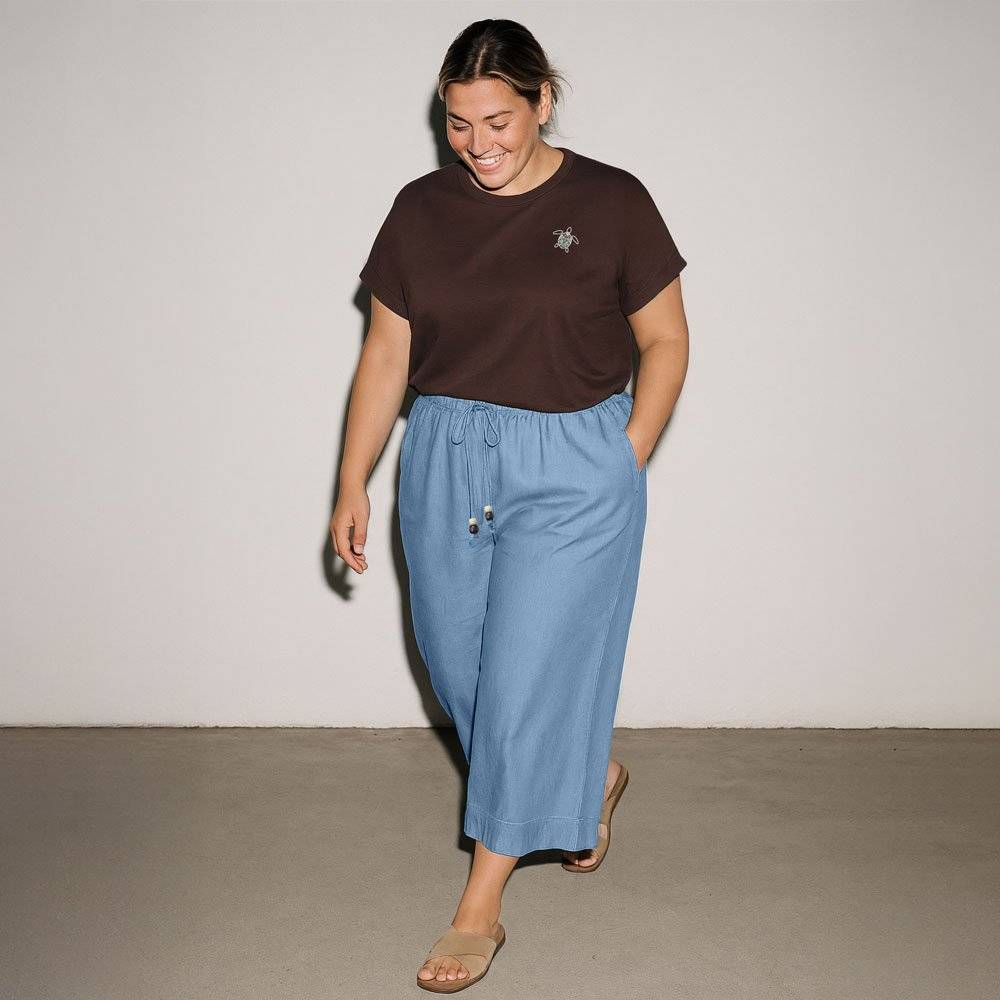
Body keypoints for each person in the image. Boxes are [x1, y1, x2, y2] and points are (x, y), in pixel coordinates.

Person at [330, 18, 690, 993]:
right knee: (459, 668)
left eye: (498, 121)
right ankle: (588, 776)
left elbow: (665, 340)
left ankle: (479, 903)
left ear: (542, 102)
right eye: (459, 124)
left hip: (573, 460)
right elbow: (387, 355)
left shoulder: (611, 201)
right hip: (447, 453)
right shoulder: (419, 210)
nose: (478, 145)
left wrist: (625, 454)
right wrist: (352, 479)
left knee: (525, 678)